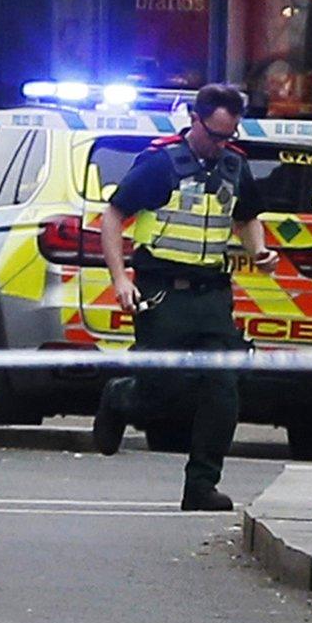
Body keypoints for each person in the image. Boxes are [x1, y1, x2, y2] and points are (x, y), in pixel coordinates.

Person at [91, 83, 277, 511]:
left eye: (229, 135)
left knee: (222, 385)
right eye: (215, 135)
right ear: (195, 120)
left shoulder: (233, 165)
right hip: (162, 293)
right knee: (163, 392)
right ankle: (120, 398)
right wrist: (121, 279)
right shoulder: (161, 164)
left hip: (211, 295)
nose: (221, 144)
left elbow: (247, 217)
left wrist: (259, 251)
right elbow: (114, 216)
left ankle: (201, 485)